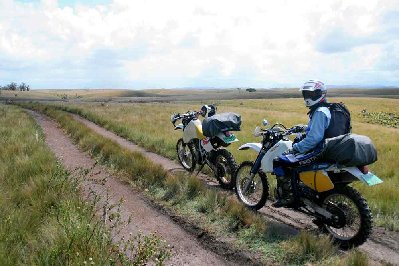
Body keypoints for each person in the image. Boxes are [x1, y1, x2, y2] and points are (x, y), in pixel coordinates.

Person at [272, 80, 334, 208]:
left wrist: (295, 148)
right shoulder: (327, 108)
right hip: (328, 147)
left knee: (280, 161)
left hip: (319, 150)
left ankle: (289, 197)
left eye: (310, 94)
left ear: (319, 94)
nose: (307, 97)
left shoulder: (319, 112)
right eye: (306, 94)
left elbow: (313, 139)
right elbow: (321, 128)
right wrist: (303, 128)